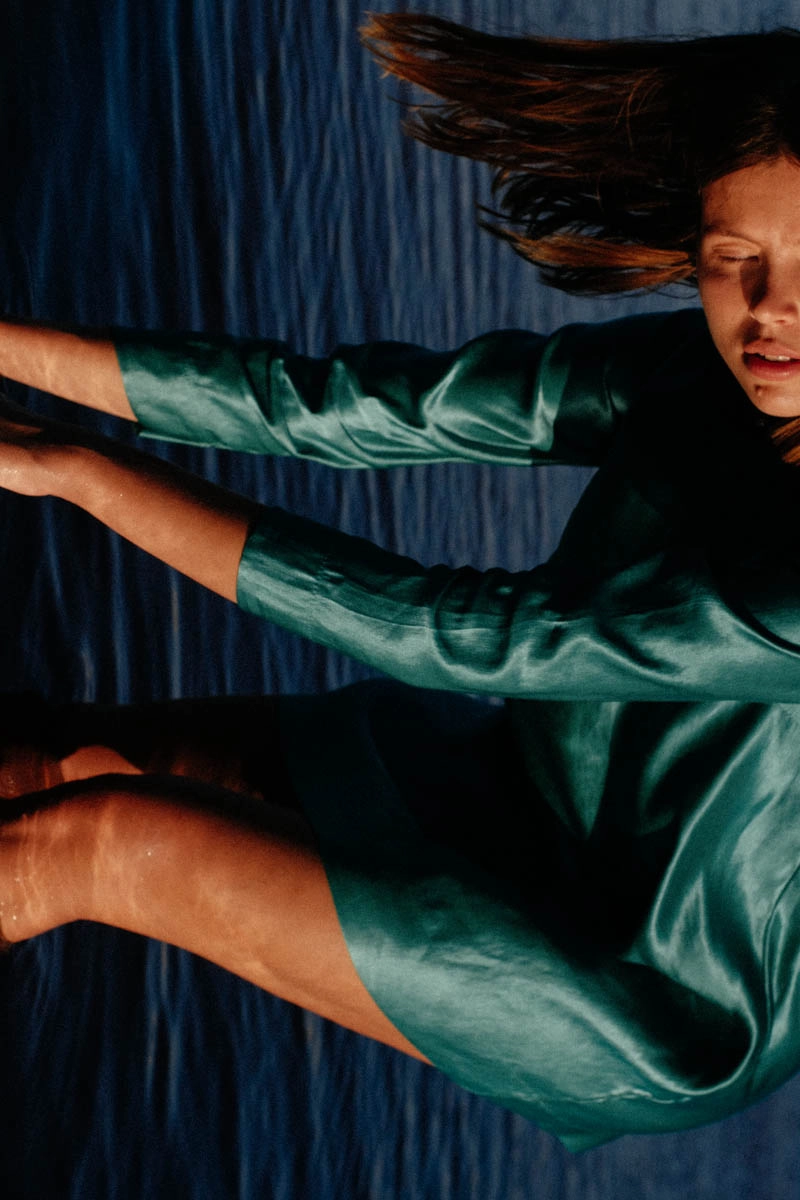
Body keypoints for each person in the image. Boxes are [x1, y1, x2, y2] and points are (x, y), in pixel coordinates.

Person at [2, 12, 800, 1151]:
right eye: (733, 257)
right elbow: (349, 406)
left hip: (637, 983)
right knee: (52, 759)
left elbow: (462, 634)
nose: (768, 306)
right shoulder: (693, 375)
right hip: (489, 790)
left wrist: (80, 472)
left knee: (98, 840)